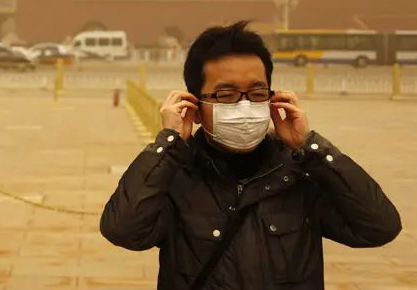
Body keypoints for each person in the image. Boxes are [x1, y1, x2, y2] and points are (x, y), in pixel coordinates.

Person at [100, 21, 401, 289]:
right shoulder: (176, 174)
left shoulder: (300, 174)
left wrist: (310, 146)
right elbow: (124, 230)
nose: (244, 106)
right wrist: (168, 144)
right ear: (196, 105)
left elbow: (379, 227)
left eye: (257, 94)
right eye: (226, 95)